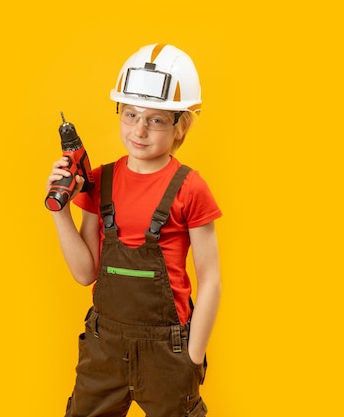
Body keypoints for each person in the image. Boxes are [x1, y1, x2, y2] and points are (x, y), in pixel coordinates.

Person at [46, 43, 222, 417]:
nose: (139, 130)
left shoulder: (190, 187)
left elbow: (210, 279)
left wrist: (192, 356)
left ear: (180, 125)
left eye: (156, 119)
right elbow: (84, 273)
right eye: (130, 115)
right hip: (104, 348)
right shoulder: (99, 181)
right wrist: (60, 211)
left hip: (168, 352)